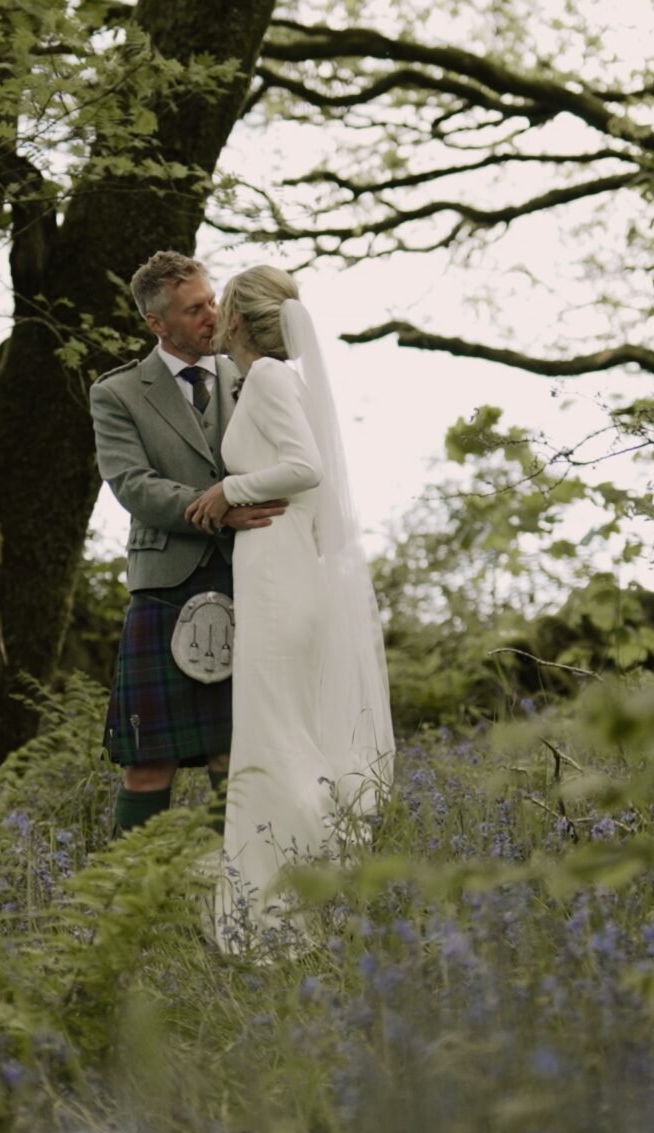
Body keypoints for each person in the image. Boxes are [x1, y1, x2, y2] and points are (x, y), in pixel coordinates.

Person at [181, 265, 396, 949]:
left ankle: (288, 900)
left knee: (274, 733)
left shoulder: (270, 378)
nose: (210, 314)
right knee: (278, 730)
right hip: (276, 568)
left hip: (277, 576)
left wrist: (227, 489)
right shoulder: (271, 381)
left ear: (238, 321)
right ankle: (298, 883)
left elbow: (306, 468)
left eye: (220, 306)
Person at [91, 252, 288, 837]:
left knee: (238, 756)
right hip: (166, 584)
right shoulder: (119, 392)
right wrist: (218, 508)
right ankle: (132, 901)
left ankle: (235, 891)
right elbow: (132, 485)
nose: (213, 315)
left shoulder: (253, 372)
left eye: (212, 301)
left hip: (250, 574)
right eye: (195, 309)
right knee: (149, 763)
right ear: (158, 323)